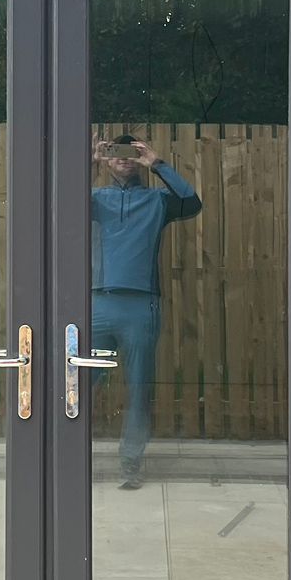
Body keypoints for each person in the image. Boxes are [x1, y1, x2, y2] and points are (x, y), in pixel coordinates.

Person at [90, 133, 202, 489]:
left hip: (141, 306)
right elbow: (56, 203)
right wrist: (90, 163)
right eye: (115, 152)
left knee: (139, 388)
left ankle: (131, 465)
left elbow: (191, 202)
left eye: (130, 152)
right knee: (76, 387)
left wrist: (156, 163)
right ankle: (70, 459)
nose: (123, 158)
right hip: (96, 304)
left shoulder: (157, 200)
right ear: (107, 160)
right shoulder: (93, 199)